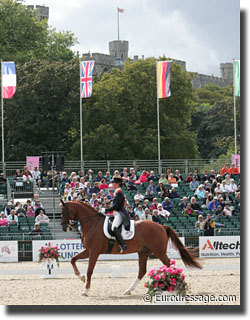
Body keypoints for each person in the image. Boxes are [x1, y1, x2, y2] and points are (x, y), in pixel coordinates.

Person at [105, 176, 130, 253]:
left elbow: (116, 206)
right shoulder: (116, 193)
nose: (112, 184)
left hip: (119, 213)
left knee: (113, 227)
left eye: (113, 182)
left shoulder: (119, 194)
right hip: (115, 213)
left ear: (118, 184)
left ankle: (123, 245)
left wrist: (106, 209)